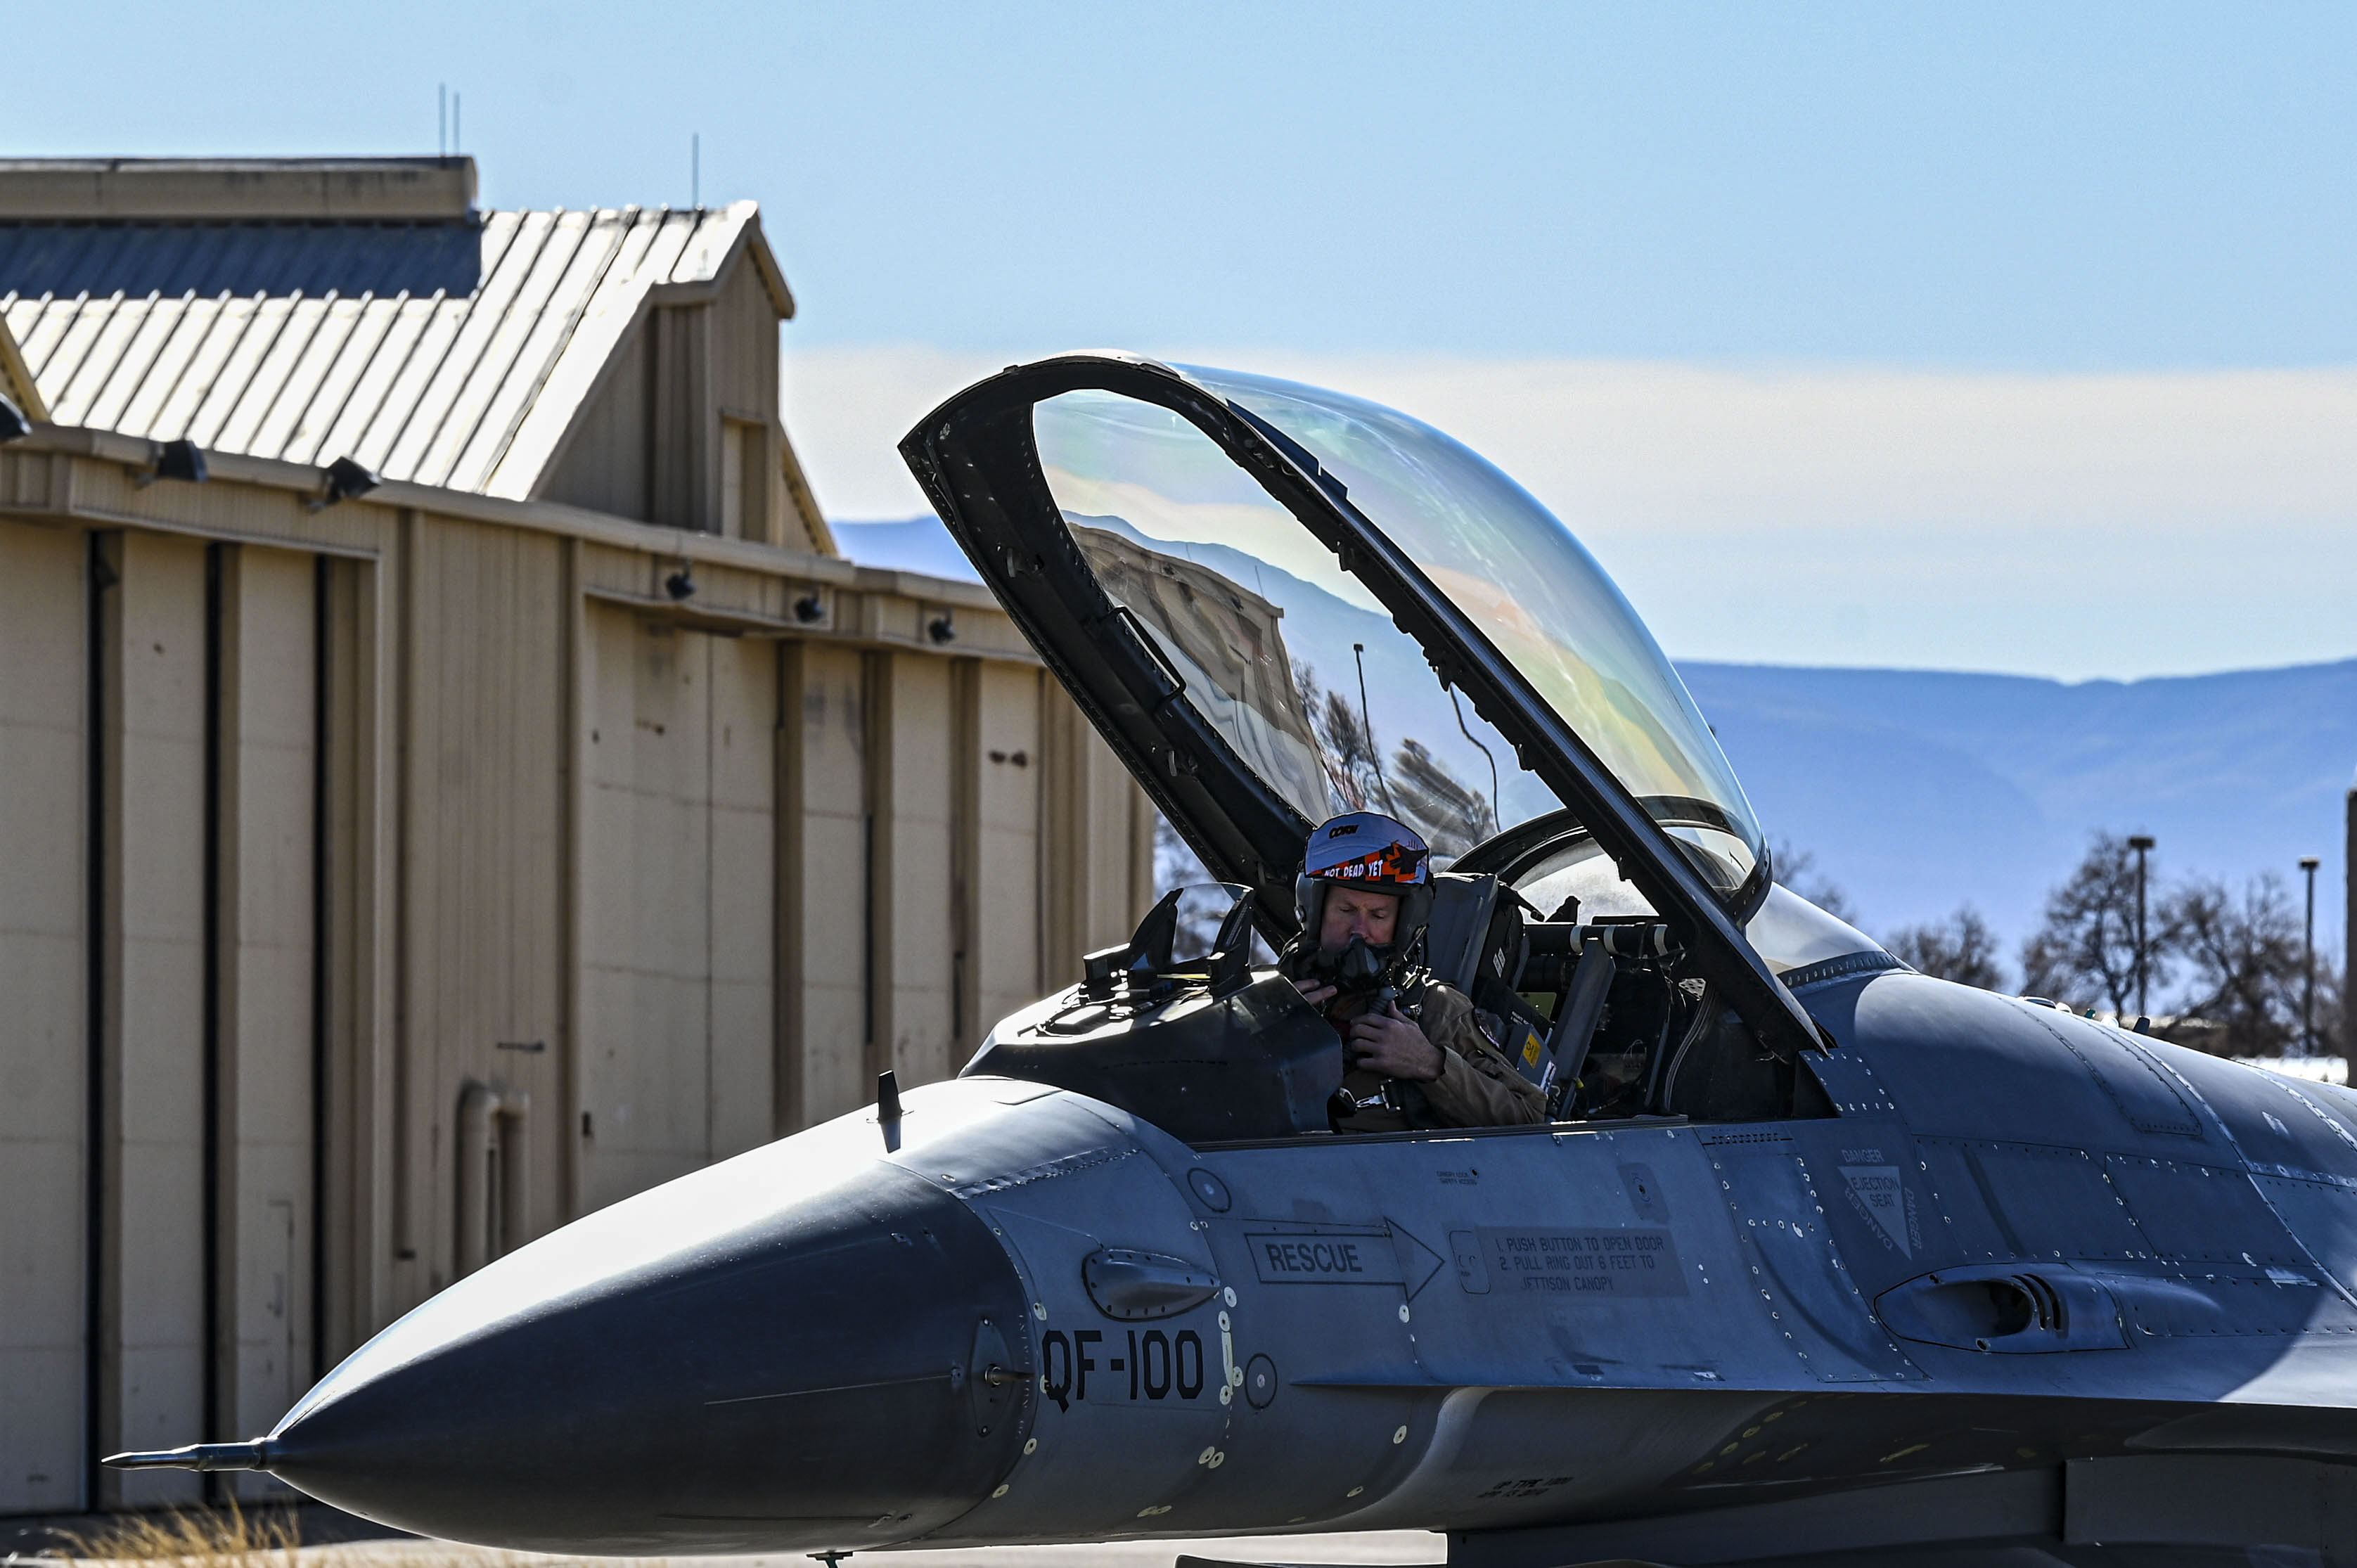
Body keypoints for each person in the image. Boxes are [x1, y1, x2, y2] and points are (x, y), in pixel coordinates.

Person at [1280, 811, 1545, 1132]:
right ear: (1314, 910)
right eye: (1345, 910)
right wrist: (1273, 1033)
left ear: (1404, 926)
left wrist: (1431, 1064)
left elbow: (1530, 1119)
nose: (1359, 931)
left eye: (1378, 915)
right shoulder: (1270, 999)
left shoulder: (1434, 1010)